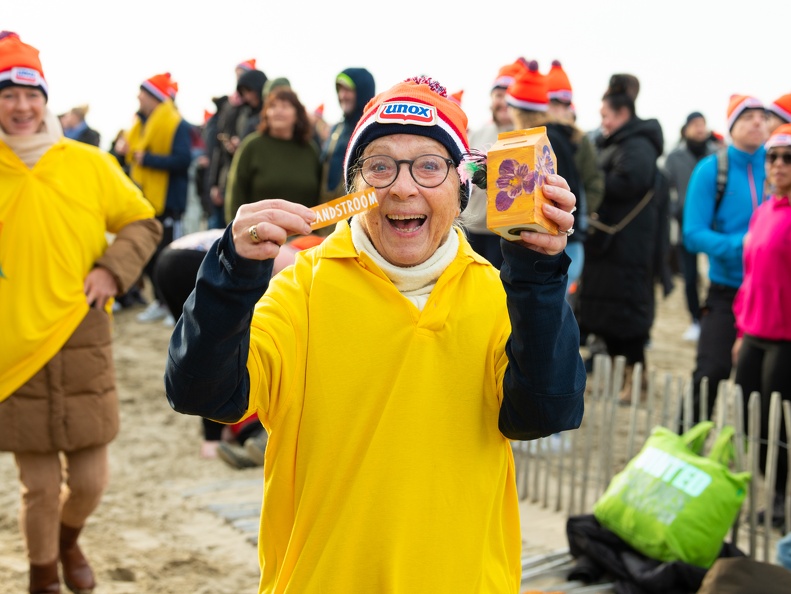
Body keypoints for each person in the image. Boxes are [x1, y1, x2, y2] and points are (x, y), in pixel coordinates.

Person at [164, 75, 585, 593]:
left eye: (430, 166)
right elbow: (202, 392)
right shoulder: (303, 288)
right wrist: (230, 275)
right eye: (380, 166)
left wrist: (540, 277)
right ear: (355, 188)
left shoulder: (497, 293)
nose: (403, 187)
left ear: (460, 187)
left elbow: (544, 413)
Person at [0, 32, 162, 594]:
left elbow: (143, 221)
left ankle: (70, 540)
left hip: (80, 334)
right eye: (7, 95)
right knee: (38, 487)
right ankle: (42, 576)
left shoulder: (88, 163)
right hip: (12, 346)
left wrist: (112, 270)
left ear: (45, 98)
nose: (21, 107)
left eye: (31, 94)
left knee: (91, 480)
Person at [576, 73, 664, 402]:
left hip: (628, 247)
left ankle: (636, 380)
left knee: (628, 316)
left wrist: (594, 181)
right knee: (610, 315)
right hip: (610, 246)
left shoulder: (637, 144)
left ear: (622, 114)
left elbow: (630, 182)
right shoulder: (615, 142)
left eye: (606, 116)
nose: (603, 123)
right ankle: (623, 377)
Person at [683, 94, 768, 421]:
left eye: (762, 116)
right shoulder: (711, 169)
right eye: (747, 117)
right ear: (732, 126)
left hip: (769, 295)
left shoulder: (778, 164)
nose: (757, 122)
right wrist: (743, 244)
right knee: (710, 372)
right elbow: (692, 233)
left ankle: (758, 464)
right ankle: (686, 448)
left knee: (760, 388)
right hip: (726, 290)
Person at [732, 123, 791, 528]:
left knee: (780, 423)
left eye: (789, 158)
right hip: (753, 332)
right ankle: (772, 489)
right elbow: (749, 276)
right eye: (773, 157)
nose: (780, 165)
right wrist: (739, 332)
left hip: (786, 339)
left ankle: (780, 498)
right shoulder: (762, 212)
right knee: (752, 420)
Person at [112, 72, 192, 325]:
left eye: (143, 93)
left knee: (167, 256)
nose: (138, 97)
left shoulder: (176, 123)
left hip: (168, 201)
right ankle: (159, 302)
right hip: (145, 199)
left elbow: (183, 160)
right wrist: (125, 152)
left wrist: (147, 159)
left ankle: (172, 306)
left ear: (154, 97)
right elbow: (131, 157)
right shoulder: (139, 125)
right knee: (148, 255)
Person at [504, 59, 584, 295]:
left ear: (516, 110)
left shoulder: (541, 141)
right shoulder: (557, 136)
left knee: (552, 302)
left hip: (555, 240)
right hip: (567, 235)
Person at [544, 59, 605, 299]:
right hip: (542, 228)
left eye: (563, 103)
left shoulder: (581, 141)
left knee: (564, 296)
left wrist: (578, 213)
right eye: (552, 102)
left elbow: (594, 183)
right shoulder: (535, 135)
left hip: (571, 233)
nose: (558, 109)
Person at [662, 112, 720, 342]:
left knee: (714, 275)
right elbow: (667, 190)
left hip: (716, 227)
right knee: (689, 277)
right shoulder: (675, 157)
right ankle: (695, 320)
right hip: (686, 225)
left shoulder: (717, 154)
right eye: (695, 124)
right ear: (685, 129)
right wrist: (677, 210)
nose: (700, 128)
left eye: (703, 124)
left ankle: (711, 317)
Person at [224, 86, 321, 222]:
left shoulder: (310, 150)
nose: (278, 111)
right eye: (273, 106)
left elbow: (319, 196)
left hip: (304, 238)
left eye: (285, 106)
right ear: (266, 113)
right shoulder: (251, 146)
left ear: (297, 115)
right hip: (259, 236)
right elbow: (235, 194)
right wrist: (235, 232)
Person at [465, 59, 520, 268]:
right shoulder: (477, 135)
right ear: (491, 99)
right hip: (472, 229)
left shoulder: (527, 137)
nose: (503, 101)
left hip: (508, 234)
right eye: (499, 95)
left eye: (509, 95)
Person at [206, 66, 268, 230]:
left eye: (250, 90)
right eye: (244, 92)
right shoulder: (241, 112)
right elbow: (218, 153)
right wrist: (215, 184)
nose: (247, 96)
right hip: (231, 180)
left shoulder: (266, 116)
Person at [318, 68, 376, 205]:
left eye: (348, 90)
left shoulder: (373, 130)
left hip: (356, 220)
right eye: (340, 90)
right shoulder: (336, 130)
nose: (342, 96)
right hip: (325, 217)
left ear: (363, 91)